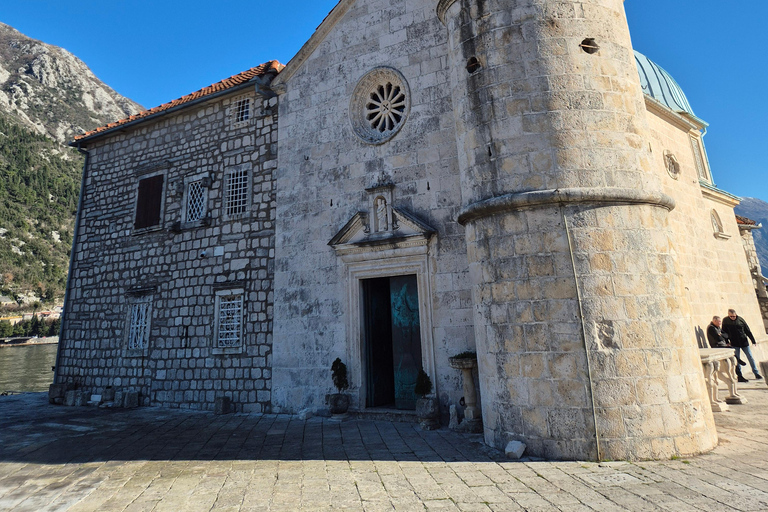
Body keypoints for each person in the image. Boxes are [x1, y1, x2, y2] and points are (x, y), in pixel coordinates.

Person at [721, 309, 763, 382]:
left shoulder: (740, 320)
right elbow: (724, 332)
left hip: (744, 341)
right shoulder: (725, 321)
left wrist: (753, 340)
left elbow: (747, 330)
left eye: (734, 316)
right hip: (734, 342)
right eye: (731, 316)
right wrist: (727, 341)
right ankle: (739, 375)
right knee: (737, 359)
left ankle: (756, 373)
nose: (732, 318)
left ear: (736, 314)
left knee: (750, 357)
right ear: (728, 315)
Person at [707, 315, 747, 381]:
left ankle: (739, 369)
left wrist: (721, 334)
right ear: (714, 321)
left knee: (733, 352)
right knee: (732, 351)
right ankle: (739, 366)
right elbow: (718, 338)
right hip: (717, 346)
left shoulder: (718, 327)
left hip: (722, 345)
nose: (720, 323)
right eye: (719, 321)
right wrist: (721, 336)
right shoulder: (711, 328)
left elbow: (727, 335)